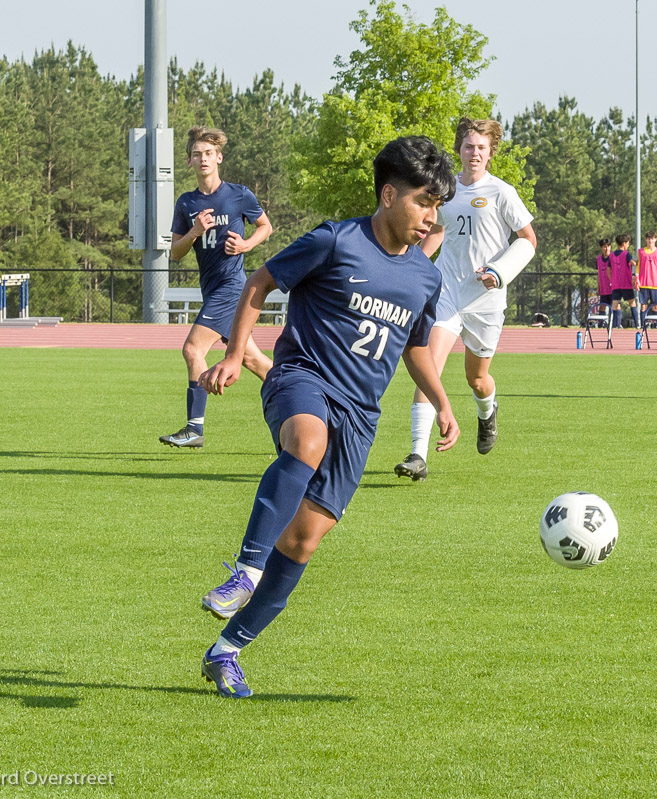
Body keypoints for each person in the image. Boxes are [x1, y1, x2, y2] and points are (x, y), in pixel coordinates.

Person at [197, 136, 460, 698]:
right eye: (423, 202)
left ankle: (227, 650)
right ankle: (246, 569)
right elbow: (260, 281)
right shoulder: (336, 240)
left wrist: (441, 401)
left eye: (438, 205)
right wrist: (233, 354)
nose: (430, 217)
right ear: (389, 195)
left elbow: (415, 346)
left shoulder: (424, 277)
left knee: (303, 542)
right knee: (306, 441)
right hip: (303, 378)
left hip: (362, 416)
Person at [393, 118, 537, 482]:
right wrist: (411, 267)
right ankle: (417, 453)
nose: (475, 153)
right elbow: (437, 232)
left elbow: (528, 240)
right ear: (458, 148)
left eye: (481, 148)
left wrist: (500, 272)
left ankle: (487, 412)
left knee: (478, 379)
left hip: (487, 299)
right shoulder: (446, 190)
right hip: (448, 291)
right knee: (430, 368)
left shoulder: (503, 192)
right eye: (469, 146)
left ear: (491, 153)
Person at [160, 126, 274, 449]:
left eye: (208, 153)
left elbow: (266, 226)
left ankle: (194, 429)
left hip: (233, 288)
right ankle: (303, 401)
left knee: (193, 350)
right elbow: (176, 252)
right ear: (189, 162)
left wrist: (246, 245)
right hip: (213, 290)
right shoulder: (186, 203)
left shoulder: (238, 194)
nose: (203, 159)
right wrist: (194, 231)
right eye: (197, 154)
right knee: (253, 361)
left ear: (219, 158)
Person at [636, 231, 657, 325]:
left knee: (656, 306)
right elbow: (638, 266)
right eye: (648, 238)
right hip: (643, 283)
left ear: (655, 239)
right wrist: (636, 278)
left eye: (652, 238)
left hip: (655, 284)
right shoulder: (641, 251)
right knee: (643, 306)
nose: (650, 240)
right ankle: (643, 325)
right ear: (646, 239)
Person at [608, 233, 637, 328]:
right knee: (632, 303)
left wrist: (612, 279)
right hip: (626, 284)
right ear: (624, 243)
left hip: (616, 284)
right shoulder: (626, 254)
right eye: (628, 243)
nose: (628, 245)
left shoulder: (611, 255)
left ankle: (614, 325)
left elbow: (608, 269)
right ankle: (637, 324)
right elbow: (633, 263)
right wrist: (637, 262)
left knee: (615, 304)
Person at [595, 238, 613, 314]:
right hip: (603, 287)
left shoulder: (613, 257)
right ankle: (601, 324)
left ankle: (616, 323)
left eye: (608, 246)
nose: (607, 248)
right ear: (601, 247)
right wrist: (598, 287)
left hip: (613, 287)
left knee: (615, 305)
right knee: (602, 306)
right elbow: (599, 273)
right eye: (604, 247)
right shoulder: (599, 259)